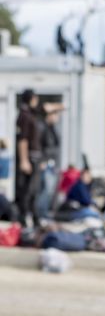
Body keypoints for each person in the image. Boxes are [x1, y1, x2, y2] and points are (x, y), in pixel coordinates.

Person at [15, 88, 42, 227]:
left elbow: (45, 108)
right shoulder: (24, 116)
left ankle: (34, 218)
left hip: (34, 157)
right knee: (27, 190)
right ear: (31, 99)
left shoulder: (30, 114)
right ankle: (23, 218)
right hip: (30, 157)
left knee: (33, 190)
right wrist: (24, 160)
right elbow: (22, 140)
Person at [37, 109, 61, 219]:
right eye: (55, 115)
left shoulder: (53, 129)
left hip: (52, 164)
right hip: (46, 163)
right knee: (45, 190)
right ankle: (41, 214)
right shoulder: (42, 128)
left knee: (50, 190)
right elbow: (40, 145)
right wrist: (42, 161)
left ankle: (45, 213)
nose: (57, 118)